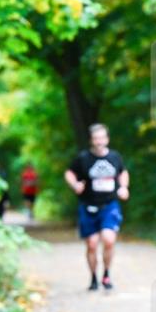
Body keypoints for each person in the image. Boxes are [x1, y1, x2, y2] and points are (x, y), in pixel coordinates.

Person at [65, 124, 130, 291]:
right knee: (92, 244)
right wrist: (75, 184)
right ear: (91, 140)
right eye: (96, 138)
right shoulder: (83, 158)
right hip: (88, 205)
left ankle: (106, 275)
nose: (99, 141)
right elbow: (70, 173)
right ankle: (93, 278)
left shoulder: (115, 157)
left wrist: (123, 187)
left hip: (109, 205)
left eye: (102, 138)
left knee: (109, 239)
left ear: (107, 139)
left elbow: (123, 172)